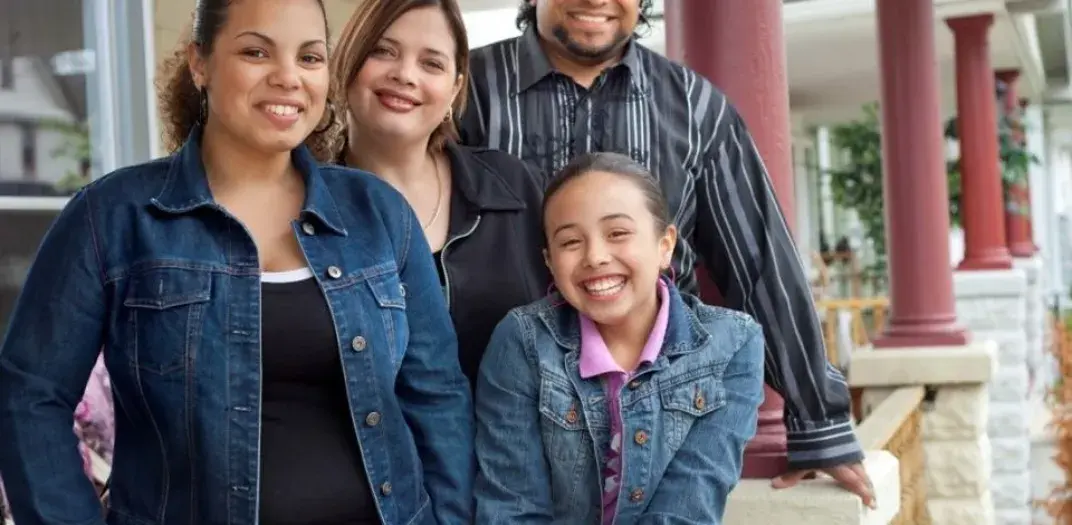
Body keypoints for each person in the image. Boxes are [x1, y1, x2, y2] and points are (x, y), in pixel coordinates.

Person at [0, 0, 474, 523]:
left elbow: (437, 396)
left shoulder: (377, 212)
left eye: (310, 58)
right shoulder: (111, 217)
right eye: (256, 52)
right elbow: (28, 398)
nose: (288, 78)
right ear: (199, 62)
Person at [460, 0, 874, 502]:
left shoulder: (695, 106)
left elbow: (759, 262)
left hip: (658, 423)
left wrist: (819, 421)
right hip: (500, 416)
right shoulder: (467, 91)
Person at [474, 152, 765, 523]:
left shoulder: (733, 344)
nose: (595, 257)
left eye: (618, 234)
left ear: (665, 245)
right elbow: (512, 507)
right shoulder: (523, 341)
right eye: (570, 242)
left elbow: (689, 504)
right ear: (549, 261)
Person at [332, 0, 549, 386]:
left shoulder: (513, 187)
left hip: (516, 442)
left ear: (455, 88)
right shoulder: (302, 204)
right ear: (347, 59)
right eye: (383, 51)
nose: (405, 74)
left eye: (431, 63)